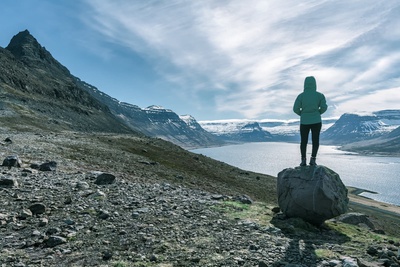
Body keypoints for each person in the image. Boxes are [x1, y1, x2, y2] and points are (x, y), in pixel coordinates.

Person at [293, 76, 327, 166]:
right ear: (315, 84)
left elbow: (295, 108)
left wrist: (303, 114)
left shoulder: (301, 96)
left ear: (305, 84)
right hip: (316, 121)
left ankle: (303, 160)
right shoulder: (319, 95)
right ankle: (313, 160)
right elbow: (324, 107)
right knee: (315, 141)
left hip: (304, 122)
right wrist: (318, 113)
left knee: (303, 141)